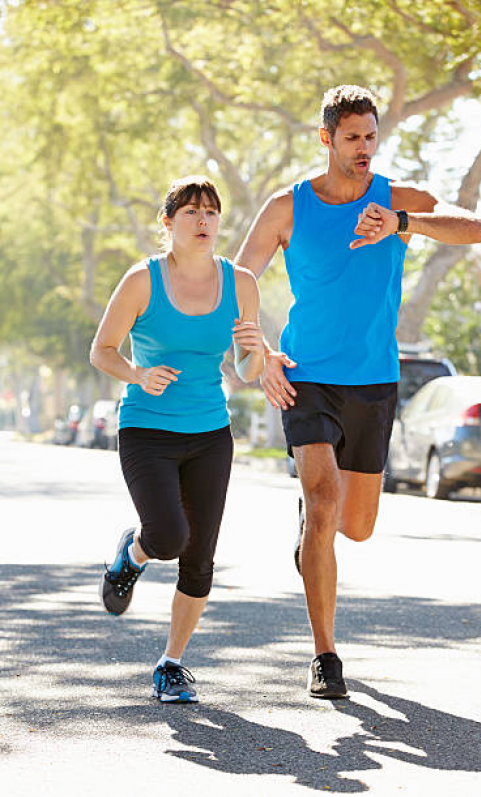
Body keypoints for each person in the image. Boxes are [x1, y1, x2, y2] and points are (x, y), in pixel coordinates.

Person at [236, 85, 481, 699]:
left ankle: (311, 530)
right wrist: (258, 351)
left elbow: (475, 228)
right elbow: (239, 278)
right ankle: (326, 655)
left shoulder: (392, 197)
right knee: (323, 504)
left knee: (357, 526)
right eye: (352, 138)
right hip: (307, 376)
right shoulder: (287, 207)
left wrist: (403, 223)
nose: (364, 148)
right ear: (326, 140)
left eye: (371, 136)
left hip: (374, 381)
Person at [90, 176, 264, 703]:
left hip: (211, 432)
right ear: (168, 222)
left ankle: (171, 664)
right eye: (191, 211)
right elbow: (102, 350)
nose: (204, 220)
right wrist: (139, 375)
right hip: (146, 430)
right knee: (167, 536)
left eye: (211, 211)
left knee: (200, 556)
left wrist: (256, 349)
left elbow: (248, 369)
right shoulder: (142, 281)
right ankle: (132, 555)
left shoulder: (242, 283)